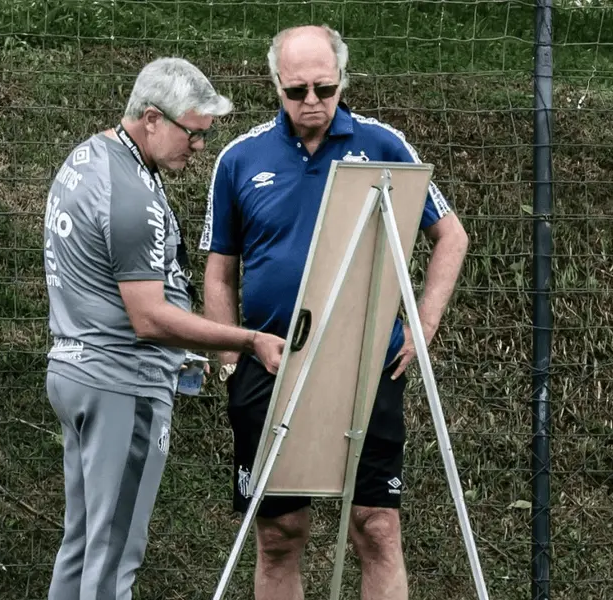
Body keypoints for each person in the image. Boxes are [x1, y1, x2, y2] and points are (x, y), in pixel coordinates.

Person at [199, 25, 470, 600]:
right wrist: (230, 360)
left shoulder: (384, 145)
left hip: (367, 362)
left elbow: (451, 236)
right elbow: (220, 270)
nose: (312, 101)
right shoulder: (239, 158)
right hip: (271, 363)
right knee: (279, 535)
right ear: (275, 83)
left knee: (377, 527)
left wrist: (422, 327)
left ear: (343, 79)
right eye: (296, 90)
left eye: (324, 88)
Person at [41, 56, 287, 600]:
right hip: (122, 384)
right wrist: (246, 339)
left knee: (82, 543)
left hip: (76, 368)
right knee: (114, 556)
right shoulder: (130, 195)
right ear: (152, 118)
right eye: (192, 133)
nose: (198, 147)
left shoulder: (89, 156)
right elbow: (149, 318)